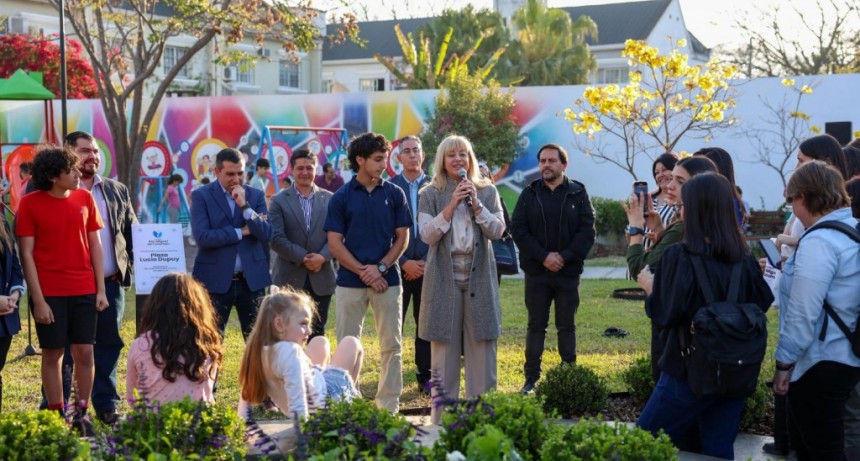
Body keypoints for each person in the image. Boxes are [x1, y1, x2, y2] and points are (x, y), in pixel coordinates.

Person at [636, 172, 773, 459]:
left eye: (683, 207)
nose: (680, 212)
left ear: (696, 211)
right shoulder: (745, 258)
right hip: (735, 370)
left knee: (640, 445)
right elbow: (763, 300)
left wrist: (651, 287)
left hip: (687, 371)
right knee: (718, 450)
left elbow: (664, 314)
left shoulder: (680, 255)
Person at [16, 146, 109, 434]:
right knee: (52, 354)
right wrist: (38, 300)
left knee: (85, 353)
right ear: (54, 176)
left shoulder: (85, 198)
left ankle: (82, 414)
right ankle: (55, 415)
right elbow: (26, 255)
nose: (78, 174)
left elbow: (95, 245)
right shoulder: (29, 205)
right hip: (49, 294)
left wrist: (101, 290)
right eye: (70, 169)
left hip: (84, 289)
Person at [772, 161, 860, 461]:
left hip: (819, 361)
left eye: (791, 200)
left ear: (805, 197)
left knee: (821, 450)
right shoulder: (852, 230)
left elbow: (801, 313)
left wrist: (784, 364)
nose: (791, 209)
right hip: (848, 354)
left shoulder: (819, 241)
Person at [418, 135, 506, 422]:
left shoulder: (487, 191)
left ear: (470, 160)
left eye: (463, 154)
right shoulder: (430, 193)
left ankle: (482, 422)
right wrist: (451, 204)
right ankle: (444, 423)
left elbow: (498, 231)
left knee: (482, 352)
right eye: (451, 155)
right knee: (443, 357)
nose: (458, 159)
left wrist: (477, 206)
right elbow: (427, 235)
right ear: (442, 161)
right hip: (444, 282)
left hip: (478, 281)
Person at [324, 132, 410, 413]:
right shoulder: (341, 197)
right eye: (377, 159)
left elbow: (402, 238)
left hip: (389, 280)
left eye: (384, 158)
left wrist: (381, 268)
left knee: (392, 346)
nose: (383, 164)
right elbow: (334, 243)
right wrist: (365, 271)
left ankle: (388, 407)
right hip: (350, 281)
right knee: (347, 345)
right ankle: (349, 404)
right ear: (359, 160)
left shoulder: (394, 193)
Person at [623, 155, 718, 383]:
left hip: (678, 334)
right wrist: (660, 230)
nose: (669, 185)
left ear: (699, 187)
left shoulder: (685, 228)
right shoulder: (707, 223)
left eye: (680, 181)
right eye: (667, 177)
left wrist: (636, 229)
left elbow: (641, 270)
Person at [510, 143, 595, 394]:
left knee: (566, 326)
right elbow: (519, 230)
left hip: (567, 274)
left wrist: (564, 257)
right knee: (536, 325)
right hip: (537, 273)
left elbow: (587, 231)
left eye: (551, 161)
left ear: (563, 165)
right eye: (542, 161)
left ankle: (568, 376)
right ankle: (530, 380)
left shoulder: (578, 192)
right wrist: (544, 256)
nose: (546, 165)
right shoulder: (529, 193)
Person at [238, 289, 363, 420]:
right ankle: (347, 402)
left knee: (320, 341)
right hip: (328, 399)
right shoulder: (291, 352)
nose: (309, 331)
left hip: (314, 386)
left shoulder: (257, 350)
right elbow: (299, 404)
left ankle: (346, 395)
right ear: (279, 324)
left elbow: (245, 397)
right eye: (303, 323)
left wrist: (240, 423)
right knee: (352, 343)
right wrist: (304, 429)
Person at [191, 147, 272, 339]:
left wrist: (245, 206)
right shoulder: (201, 196)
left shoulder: (255, 196)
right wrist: (242, 231)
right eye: (230, 174)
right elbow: (203, 237)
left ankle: (256, 371)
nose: (236, 179)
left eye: (240, 173)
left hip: (252, 281)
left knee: (259, 344)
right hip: (213, 281)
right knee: (209, 343)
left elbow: (266, 233)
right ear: (217, 172)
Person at [269, 148, 336, 339]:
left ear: (316, 170)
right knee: (284, 333)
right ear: (291, 170)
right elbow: (275, 238)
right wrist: (304, 258)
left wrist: (322, 257)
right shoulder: (278, 200)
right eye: (300, 168)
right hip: (288, 277)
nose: (305, 172)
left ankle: (314, 368)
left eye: (309, 167)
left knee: (317, 332)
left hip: (321, 276)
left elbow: (338, 235)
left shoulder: (331, 199)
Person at [126, 273, 222, 404]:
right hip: (199, 422)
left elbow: (132, 398)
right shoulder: (207, 343)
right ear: (199, 306)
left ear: (154, 306)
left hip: (154, 422)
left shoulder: (140, 345)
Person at [389, 135, 432, 395]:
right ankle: (393, 377)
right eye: (407, 151)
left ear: (423, 155)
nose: (413, 155)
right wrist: (405, 262)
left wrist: (426, 261)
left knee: (426, 324)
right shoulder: (389, 187)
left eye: (417, 150)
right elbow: (384, 232)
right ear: (399, 158)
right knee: (394, 326)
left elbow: (444, 226)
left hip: (430, 268)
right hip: (398, 268)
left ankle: (425, 377)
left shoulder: (437, 185)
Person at [0, 214, 24, 414]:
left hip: (5, 318)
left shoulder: (2, 222)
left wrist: (14, 296)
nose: (2, 188)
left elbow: (15, 265)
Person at [643, 153, 679, 248]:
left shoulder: (680, 202)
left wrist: (660, 236)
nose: (660, 175)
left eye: (664, 170)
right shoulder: (648, 199)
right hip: (641, 257)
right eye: (656, 172)